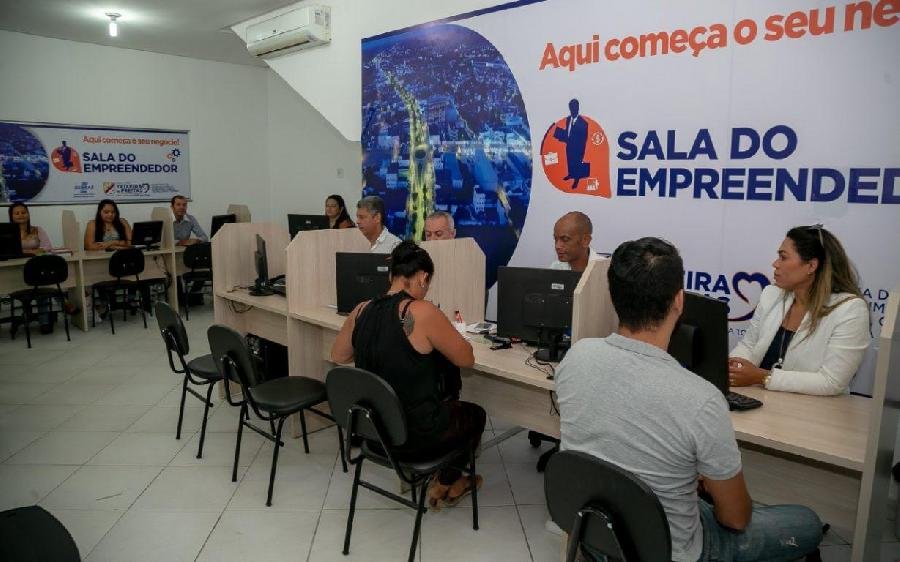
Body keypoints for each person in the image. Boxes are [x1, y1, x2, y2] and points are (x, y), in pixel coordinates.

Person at [556, 237, 822, 561]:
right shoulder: (702, 399)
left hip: (598, 534)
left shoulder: (576, 357)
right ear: (679, 301)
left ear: (614, 297)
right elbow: (735, 518)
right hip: (675, 551)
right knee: (806, 520)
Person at [331, 240, 485, 509]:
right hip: (415, 437)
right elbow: (466, 359)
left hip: (376, 432)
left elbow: (339, 356)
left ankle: (448, 479)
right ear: (423, 278)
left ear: (391, 275)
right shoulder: (422, 310)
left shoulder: (361, 310)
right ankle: (447, 480)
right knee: (475, 414)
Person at [729, 225, 870, 395]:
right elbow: (749, 346)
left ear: (811, 266)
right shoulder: (771, 294)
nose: (775, 264)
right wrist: (733, 368)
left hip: (816, 412)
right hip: (760, 399)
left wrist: (762, 377)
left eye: (783, 257)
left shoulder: (850, 309)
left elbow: (832, 382)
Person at [552, 99, 589, 190]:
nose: (572, 110)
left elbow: (583, 139)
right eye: (571, 108)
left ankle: (576, 180)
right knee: (569, 162)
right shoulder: (568, 119)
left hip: (578, 149)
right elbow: (569, 133)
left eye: (574, 108)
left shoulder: (583, 123)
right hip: (569, 147)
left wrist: (581, 151)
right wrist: (561, 135)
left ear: (577, 108)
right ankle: (570, 174)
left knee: (577, 164)